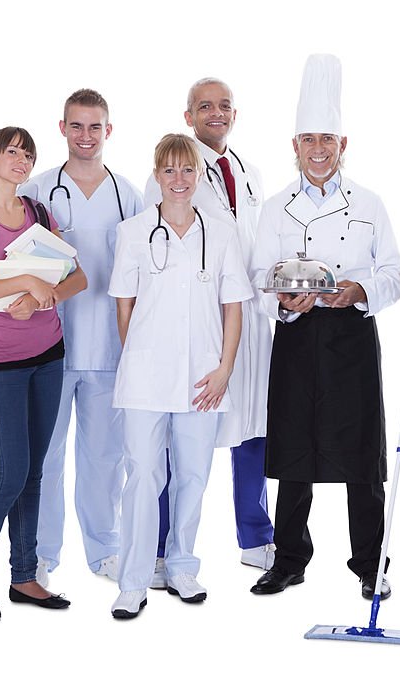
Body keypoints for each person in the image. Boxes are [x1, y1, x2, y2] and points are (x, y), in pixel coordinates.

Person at [248, 54, 400, 599]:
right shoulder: (274, 208)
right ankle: (289, 558)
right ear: (294, 146)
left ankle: (372, 564)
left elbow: (394, 272)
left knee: (362, 458)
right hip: (294, 336)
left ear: (344, 146)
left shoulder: (368, 203)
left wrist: (361, 290)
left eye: (328, 140)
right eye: (308, 139)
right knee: (294, 452)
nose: (318, 150)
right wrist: (285, 299)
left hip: (351, 340)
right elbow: (255, 274)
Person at [108, 134, 250, 619]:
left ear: (198, 175)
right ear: (156, 176)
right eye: (168, 171)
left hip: (204, 376)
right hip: (146, 378)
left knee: (192, 474)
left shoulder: (222, 230)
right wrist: (142, 358)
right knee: (143, 476)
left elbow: (234, 307)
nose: (178, 180)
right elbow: (123, 307)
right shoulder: (133, 231)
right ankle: (133, 581)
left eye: (187, 170)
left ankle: (183, 566)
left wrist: (225, 368)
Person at [0, 126, 87, 620]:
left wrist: (41, 294)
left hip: (49, 354)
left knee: (34, 472)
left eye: (28, 154)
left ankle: (25, 577)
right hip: (2, 361)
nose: (21, 161)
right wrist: (26, 278)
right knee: (9, 475)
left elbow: (78, 277)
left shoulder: (37, 214)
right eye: (12, 152)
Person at [145, 77, 275, 578]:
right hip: (197, 319)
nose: (216, 114)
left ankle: (256, 536)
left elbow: (256, 243)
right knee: (182, 434)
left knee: (254, 427)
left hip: (253, 316)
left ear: (234, 115)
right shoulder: (175, 170)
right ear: (188, 115)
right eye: (205, 107)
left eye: (224, 106)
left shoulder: (248, 171)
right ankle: (161, 548)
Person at [19, 89, 144, 587]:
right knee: (45, 455)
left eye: (95, 127)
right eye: (77, 126)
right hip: (48, 345)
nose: (86, 136)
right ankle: (40, 553)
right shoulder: (38, 189)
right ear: (63, 129)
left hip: (110, 348)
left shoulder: (127, 194)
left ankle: (105, 551)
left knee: (104, 457)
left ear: (108, 131)